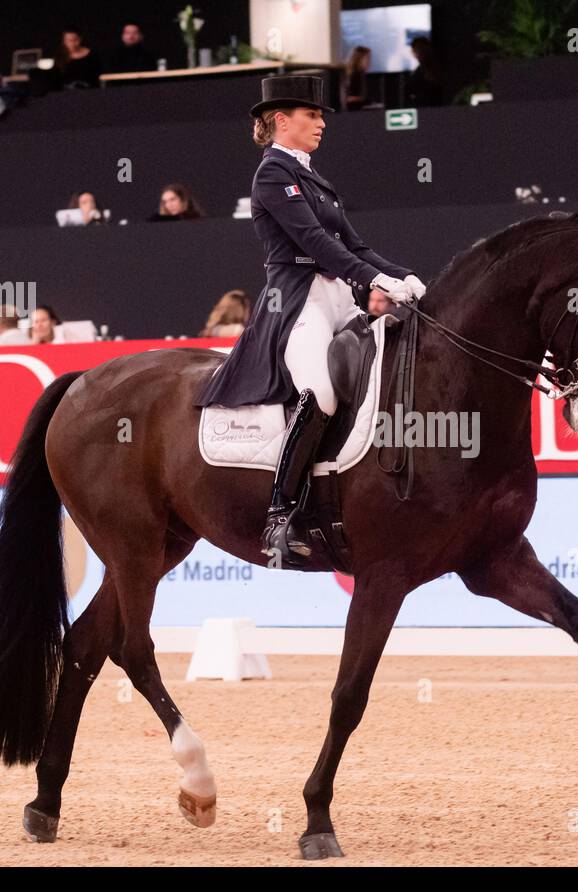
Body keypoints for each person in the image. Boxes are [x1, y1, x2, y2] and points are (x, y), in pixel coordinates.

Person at [192, 73, 425, 563]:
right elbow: (316, 244)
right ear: (282, 120)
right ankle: (280, 514)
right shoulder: (273, 175)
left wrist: (406, 274)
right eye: (313, 115)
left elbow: (354, 245)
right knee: (318, 391)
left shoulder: (316, 178)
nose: (322, 124)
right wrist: (378, 282)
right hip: (298, 300)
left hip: (341, 296)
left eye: (321, 116)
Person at [406, 36, 444, 107]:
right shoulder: (417, 71)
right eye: (418, 49)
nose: (421, 52)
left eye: (422, 48)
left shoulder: (437, 68)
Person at [345, 46, 372, 110]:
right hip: (354, 110)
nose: (369, 61)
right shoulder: (355, 75)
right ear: (360, 59)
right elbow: (348, 98)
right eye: (367, 58)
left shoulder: (358, 74)